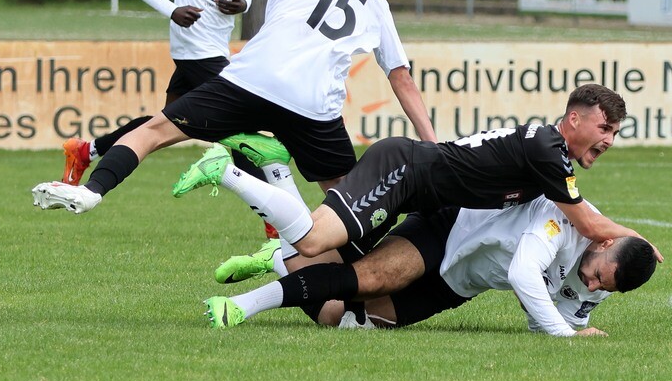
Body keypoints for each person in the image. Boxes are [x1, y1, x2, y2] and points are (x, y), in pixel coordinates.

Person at [31, 0, 437, 219]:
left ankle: (92, 190)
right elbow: (400, 77)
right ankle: (346, 266)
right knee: (348, 202)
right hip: (315, 105)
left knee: (153, 132)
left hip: (253, 80)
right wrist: (434, 149)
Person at [169, 84, 662, 268]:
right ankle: (236, 170)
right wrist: (638, 241)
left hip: (413, 190)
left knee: (334, 253)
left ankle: (271, 258)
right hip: (403, 172)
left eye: (615, 133)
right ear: (574, 119)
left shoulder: (549, 150)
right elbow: (589, 225)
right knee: (316, 241)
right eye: (604, 128)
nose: (609, 140)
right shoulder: (548, 151)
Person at [57, 0, 278, 238]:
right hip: (195, 50)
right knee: (241, 130)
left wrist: (243, 3)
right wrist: (171, 9)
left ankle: (86, 151)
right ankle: (274, 219)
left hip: (214, 47)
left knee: (160, 127)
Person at [202, 196, 657, 336]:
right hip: (450, 232)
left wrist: (568, 328)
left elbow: (548, 320)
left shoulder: (606, 276)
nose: (591, 286)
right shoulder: (563, 221)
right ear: (604, 241)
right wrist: (567, 335)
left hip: (459, 283)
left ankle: (284, 259)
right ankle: (242, 304)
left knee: (343, 320)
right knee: (366, 279)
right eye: (598, 275)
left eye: (604, 288)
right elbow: (523, 275)